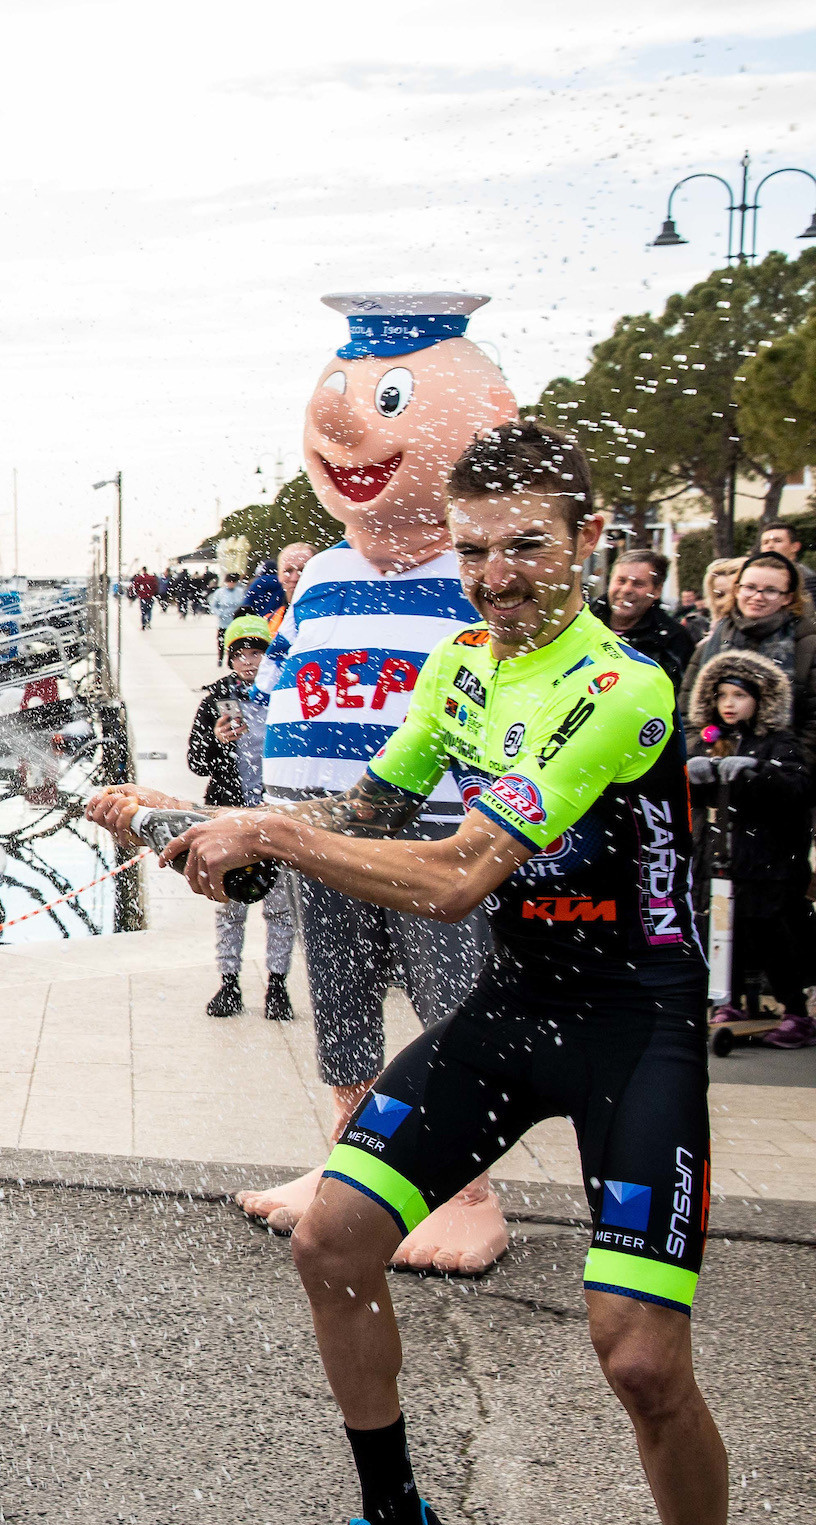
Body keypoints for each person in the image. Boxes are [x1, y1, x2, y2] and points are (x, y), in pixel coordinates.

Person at [91, 420, 746, 1525]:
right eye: (476, 551)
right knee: (333, 1240)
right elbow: (365, 810)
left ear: (591, 539)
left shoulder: (624, 687)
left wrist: (269, 835)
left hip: (635, 1027)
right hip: (515, 1003)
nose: (498, 577)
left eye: (527, 547)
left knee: (642, 1361)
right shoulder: (462, 665)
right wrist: (198, 817)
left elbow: (455, 873)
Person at [240, 293, 519, 1273]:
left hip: (441, 834)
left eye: (390, 397)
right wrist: (259, 805)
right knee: (342, 1000)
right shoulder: (316, 576)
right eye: (339, 391)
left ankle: (464, 1189)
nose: (342, 420)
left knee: (454, 1006)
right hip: (318, 832)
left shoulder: (477, 573)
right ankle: (351, 1160)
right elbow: (274, 691)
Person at [688, 649, 815, 1046]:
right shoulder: (711, 741)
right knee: (724, 933)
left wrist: (757, 772)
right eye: (722, 695)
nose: (729, 704)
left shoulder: (778, 743)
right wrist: (693, 776)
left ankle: (795, 1010)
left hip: (767, 862)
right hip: (720, 857)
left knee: (774, 936)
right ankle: (729, 1001)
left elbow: (798, 788)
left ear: (760, 700)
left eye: (739, 696)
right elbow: (693, 797)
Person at [187, 615, 297, 1018]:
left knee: (280, 907)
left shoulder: (287, 694)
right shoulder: (217, 699)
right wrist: (217, 741)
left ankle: (277, 986)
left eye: (257, 653)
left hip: (274, 816)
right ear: (229, 659)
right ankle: (229, 983)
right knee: (230, 904)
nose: (249, 662)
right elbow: (196, 762)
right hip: (229, 816)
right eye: (240, 654)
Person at [680, 550, 816, 764]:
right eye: (749, 587)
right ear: (737, 589)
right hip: (713, 766)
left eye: (771, 590)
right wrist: (704, 754)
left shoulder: (807, 644)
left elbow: (813, 720)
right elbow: (688, 711)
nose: (757, 596)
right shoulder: (713, 642)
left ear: (788, 597)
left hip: (782, 771)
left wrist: (785, 765)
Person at [593, 546, 694, 685]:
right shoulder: (583, 620)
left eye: (638, 584)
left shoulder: (673, 639)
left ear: (657, 591)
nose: (626, 589)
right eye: (621, 581)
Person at [210, 572, 248, 655]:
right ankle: (220, 656)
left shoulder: (240, 592)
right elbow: (213, 605)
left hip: (236, 621)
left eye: (233, 582)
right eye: (229, 582)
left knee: (235, 641)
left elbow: (244, 604)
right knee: (221, 641)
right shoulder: (220, 592)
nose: (231, 584)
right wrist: (219, 613)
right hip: (223, 621)